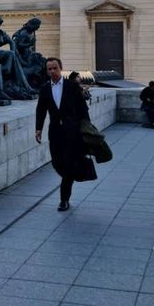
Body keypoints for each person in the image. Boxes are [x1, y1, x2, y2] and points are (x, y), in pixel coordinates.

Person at [35, 57, 96, 211]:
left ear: (60, 68)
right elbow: (41, 110)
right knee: (57, 163)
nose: (52, 71)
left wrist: (87, 129)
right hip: (55, 132)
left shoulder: (72, 86)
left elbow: (82, 108)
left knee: (68, 165)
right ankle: (71, 175)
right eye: (49, 69)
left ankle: (64, 200)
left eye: (54, 68)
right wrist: (38, 128)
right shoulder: (44, 89)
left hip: (72, 132)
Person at [0, 16, 35, 99]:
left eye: (0, 23)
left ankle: (9, 70)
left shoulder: (1, 33)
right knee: (12, 56)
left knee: (11, 54)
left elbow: (11, 42)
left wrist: (13, 52)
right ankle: (26, 86)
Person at [13, 18, 47, 89]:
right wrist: (30, 44)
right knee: (41, 65)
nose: (37, 28)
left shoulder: (30, 33)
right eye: (37, 26)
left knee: (44, 62)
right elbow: (19, 45)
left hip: (29, 54)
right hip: (23, 56)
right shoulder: (24, 33)